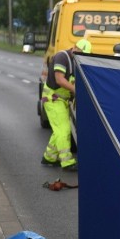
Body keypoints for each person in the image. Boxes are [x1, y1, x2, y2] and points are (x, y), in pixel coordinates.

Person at [41, 38, 91, 172]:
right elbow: (60, 79)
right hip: (53, 99)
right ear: (74, 48)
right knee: (63, 130)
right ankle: (67, 162)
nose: (81, 57)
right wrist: (76, 91)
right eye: (80, 53)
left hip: (62, 100)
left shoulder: (77, 62)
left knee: (59, 129)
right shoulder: (62, 57)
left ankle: (49, 157)